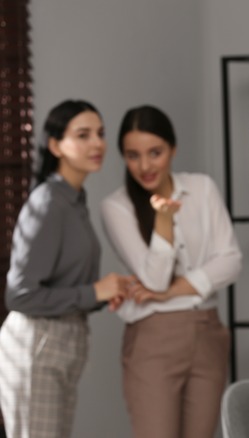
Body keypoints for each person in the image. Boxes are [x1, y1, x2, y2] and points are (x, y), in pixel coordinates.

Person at [100, 105, 241, 438]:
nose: (145, 166)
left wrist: (172, 291)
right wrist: (163, 221)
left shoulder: (202, 189)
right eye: (133, 155)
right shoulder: (116, 206)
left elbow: (231, 261)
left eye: (155, 153)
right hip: (153, 337)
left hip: (208, 331)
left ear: (173, 149)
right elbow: (153, 279)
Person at [0, 100, 129, 438]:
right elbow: (20, 296)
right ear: (56, 145)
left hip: (66, 339)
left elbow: (66, 280)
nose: (97, 143)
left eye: (100, 134)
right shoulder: (48, 203)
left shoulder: (73, 200)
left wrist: (103, 294)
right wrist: (93, 292)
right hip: (37, 341)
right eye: (83, 135)